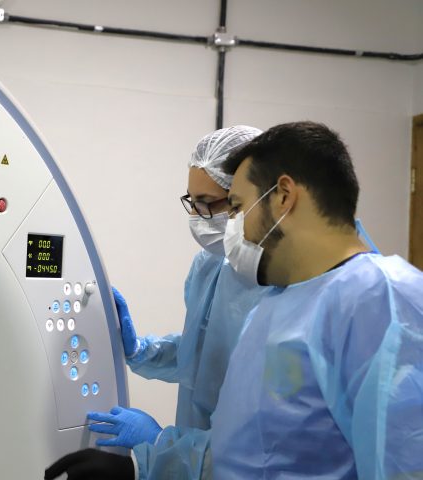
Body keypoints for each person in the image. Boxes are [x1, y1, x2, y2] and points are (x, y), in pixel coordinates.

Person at [45, 126, 270, 480]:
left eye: (207, 203)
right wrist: (141, 351)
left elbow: (258, 450)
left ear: (246, 198)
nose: (196, 217)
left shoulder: (275, 287)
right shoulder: (208, 266)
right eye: (191, 202)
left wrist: (157, 446)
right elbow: (201, 355)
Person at [207, 121, 423, 478]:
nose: (233, 226)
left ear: (283, 196)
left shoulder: (382, 300)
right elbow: (247, 450)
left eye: (237, 207)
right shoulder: (274, 304)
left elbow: (407, 461)